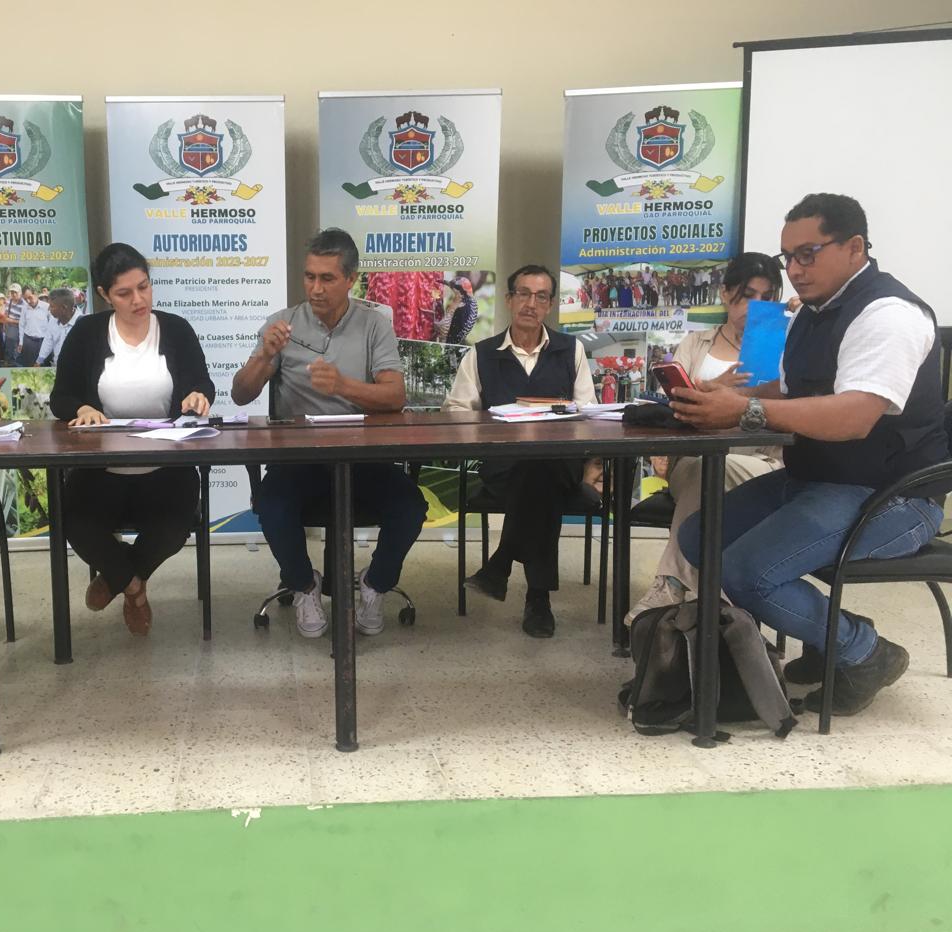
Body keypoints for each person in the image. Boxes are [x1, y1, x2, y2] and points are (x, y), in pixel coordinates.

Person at [673, 193, 947, 716]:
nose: (795, 270)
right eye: (788, 258)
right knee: (698, 538)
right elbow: (787, 389)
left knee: (745, 571)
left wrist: (744, 411)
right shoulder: (811, 315)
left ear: (855, 247)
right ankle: (827, 636)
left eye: (808, 254)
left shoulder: (889, 315)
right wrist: (718, 397)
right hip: (817, 480)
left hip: (893, 497)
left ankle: (864, 652)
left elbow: (854, 416)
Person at [232, 228, 427, 639]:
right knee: (271, 505)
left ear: (351, 279)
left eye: (327, 278)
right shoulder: (282, 324)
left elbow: (395, 395)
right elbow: (241, 394)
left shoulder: (374, 325)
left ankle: (375, 584)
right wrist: (265, 355)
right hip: (299, 459)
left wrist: (342, 386)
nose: (316, 289)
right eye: (309, 277)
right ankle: (304, 586)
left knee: (410, 506)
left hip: (363, 458)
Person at [50, 244, 214, 636]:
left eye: (144, 287)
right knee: (74, 522)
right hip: (100, 469)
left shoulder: (176, 329)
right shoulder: (87, 333)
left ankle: (117, 575)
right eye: (124, 293)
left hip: (166, 468)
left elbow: (201, 382)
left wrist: (198, 395)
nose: (138, 300)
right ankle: (135, 589)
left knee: (174, 527)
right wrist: (82, 407)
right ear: (105, 294)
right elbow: (61, 397)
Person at [625, 252, 786, 625]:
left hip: (762, 463)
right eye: (747, 295)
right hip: (692, 458)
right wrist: (712, 388)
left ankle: (673, 585)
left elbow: (801, 403)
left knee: (714, 471)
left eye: (767, 297)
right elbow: (671, 407)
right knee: (706, 468)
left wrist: (746, 395)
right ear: (726, 294)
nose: (756, 306)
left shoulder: (785, 347)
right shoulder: (696, 343)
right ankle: (716, 609)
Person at [443, 264, 598, 638]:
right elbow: (455, 412)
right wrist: (488, 423)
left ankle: (501, 564)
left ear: (551, 304)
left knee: (541, 467)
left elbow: (589, 413)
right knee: (536, 474)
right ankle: (536, 598)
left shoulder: (571, 350)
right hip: (503, 466)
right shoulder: (481, 354)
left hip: (561, 464)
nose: (531, 303)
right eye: (524, 294)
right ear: (509, 299)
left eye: (541, 296)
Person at [35, 287, 79, 367]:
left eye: (52, 306)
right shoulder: (53, 320)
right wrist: (39, 361)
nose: (49, 309)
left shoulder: (82, 324)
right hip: (57, 367)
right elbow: (48, 341)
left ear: (64, 308)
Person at [17, 285, 51, 366]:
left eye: (30, 297)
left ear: (35, 294)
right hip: (29, 342)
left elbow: (52, 325)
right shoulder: (24, 308)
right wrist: (21, 342)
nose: (28, 301)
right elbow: (21, 325)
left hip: (43, 342)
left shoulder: (46, 307)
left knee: (43, 366)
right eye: (25, 299)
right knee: (29, 367)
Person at [2, 282, 25, 365]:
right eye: (12, 292)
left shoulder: (24, 304)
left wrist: (11, 321)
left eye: (16, 292)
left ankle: (14, 363)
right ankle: (8, 362)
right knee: (8, 347)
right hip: (8, 328)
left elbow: (25, 322)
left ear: (20, 293)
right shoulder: (9, 301)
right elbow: (6, 314)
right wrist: (5, 324)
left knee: (16, 349)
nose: (14, 294)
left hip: (18, 328)